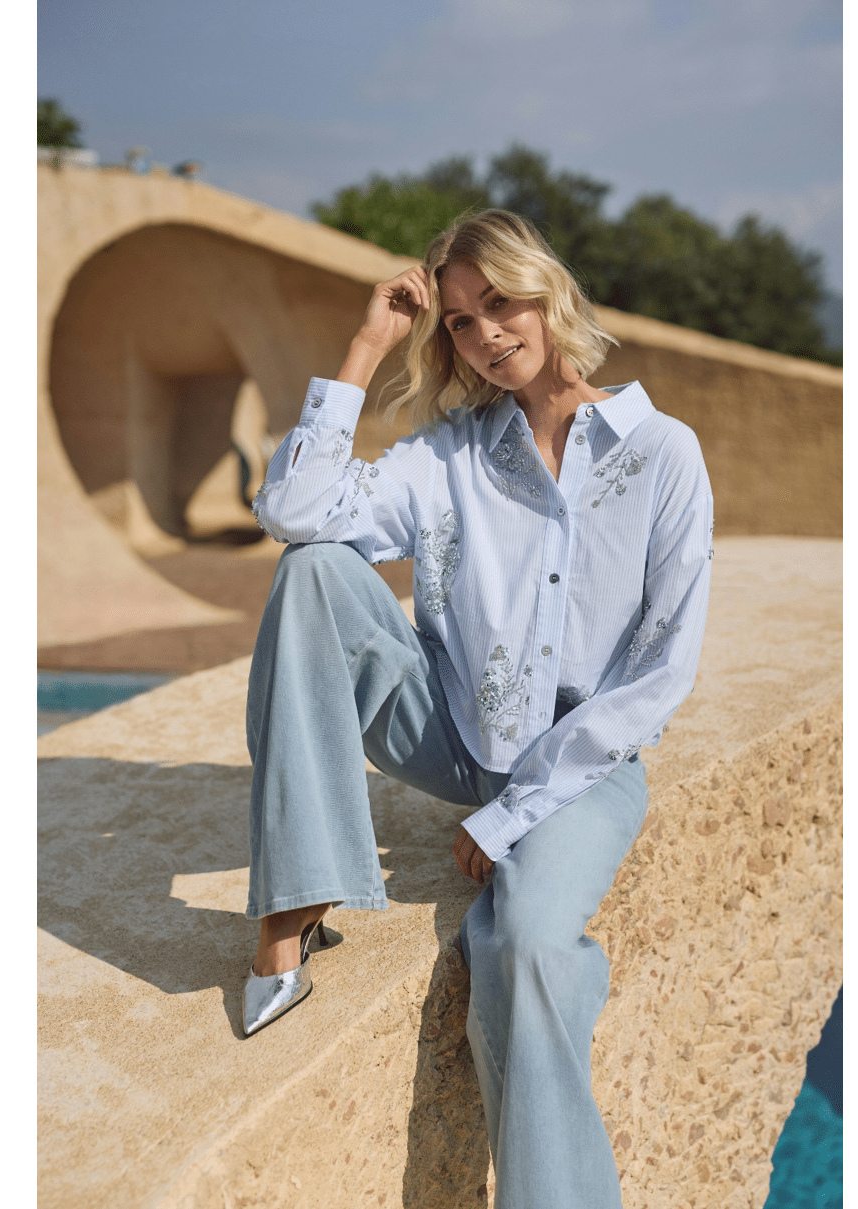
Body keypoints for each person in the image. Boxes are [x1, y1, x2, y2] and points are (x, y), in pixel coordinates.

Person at [244, 209, 713, 1209]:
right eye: (459, 321)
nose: (487, 335)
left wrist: (511, 817)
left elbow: (660, 673)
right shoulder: (450, 453)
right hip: (455, 732)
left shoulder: (662, 452)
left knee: (525, 944)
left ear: (548, 294)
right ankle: (294, 903)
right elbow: (293, 513)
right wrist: (366, 345)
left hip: (582, 765)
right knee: (314, 569)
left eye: (500, 304)